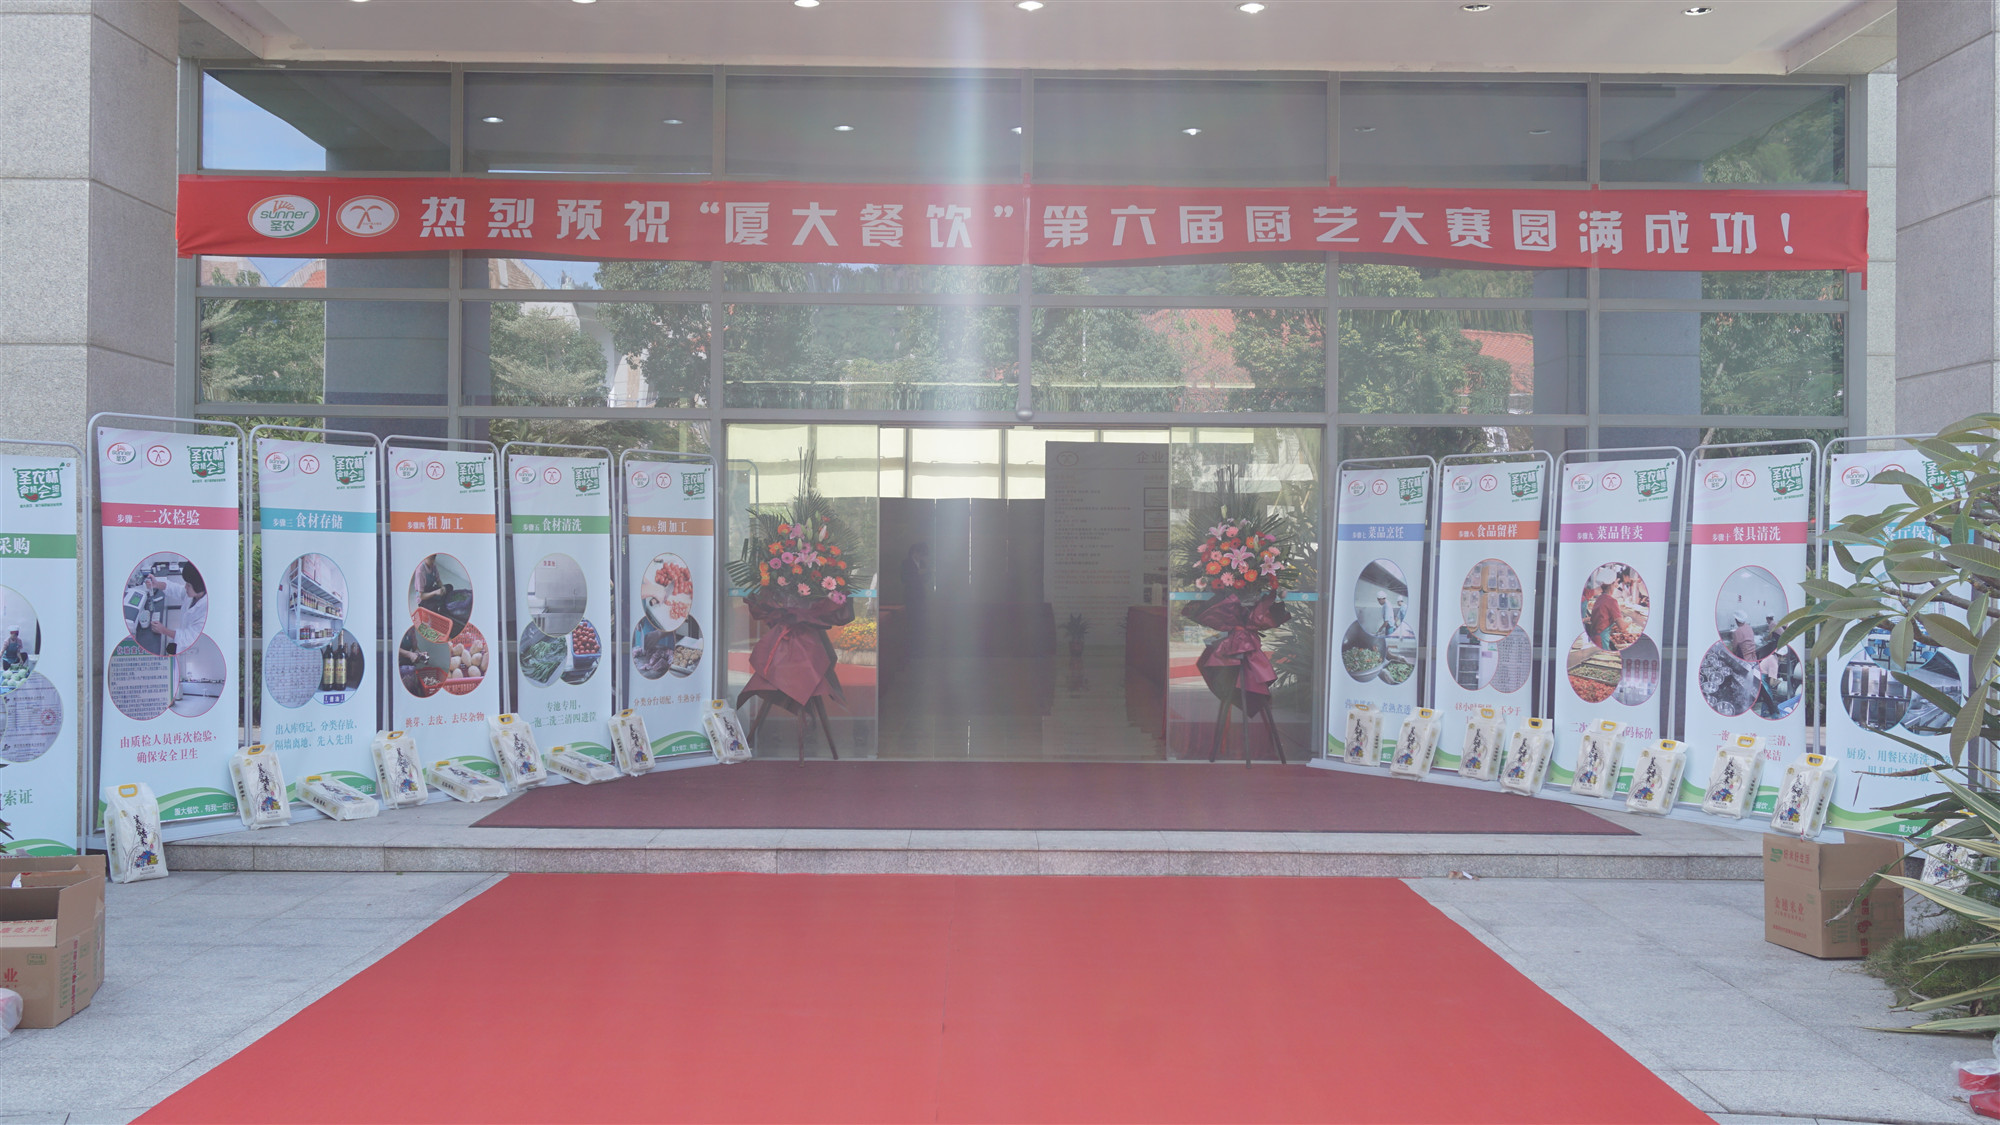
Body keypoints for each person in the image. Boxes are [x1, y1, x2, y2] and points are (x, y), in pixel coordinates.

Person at [1588, 579, 1623, 650]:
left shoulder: (1600, 598)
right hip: (1601, 639)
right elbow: (1622, 626)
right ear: (1611, 585)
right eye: (1615, 584)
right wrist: (1629, 620)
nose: (1616, 586)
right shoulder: (1612, 601)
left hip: (1595, 637)